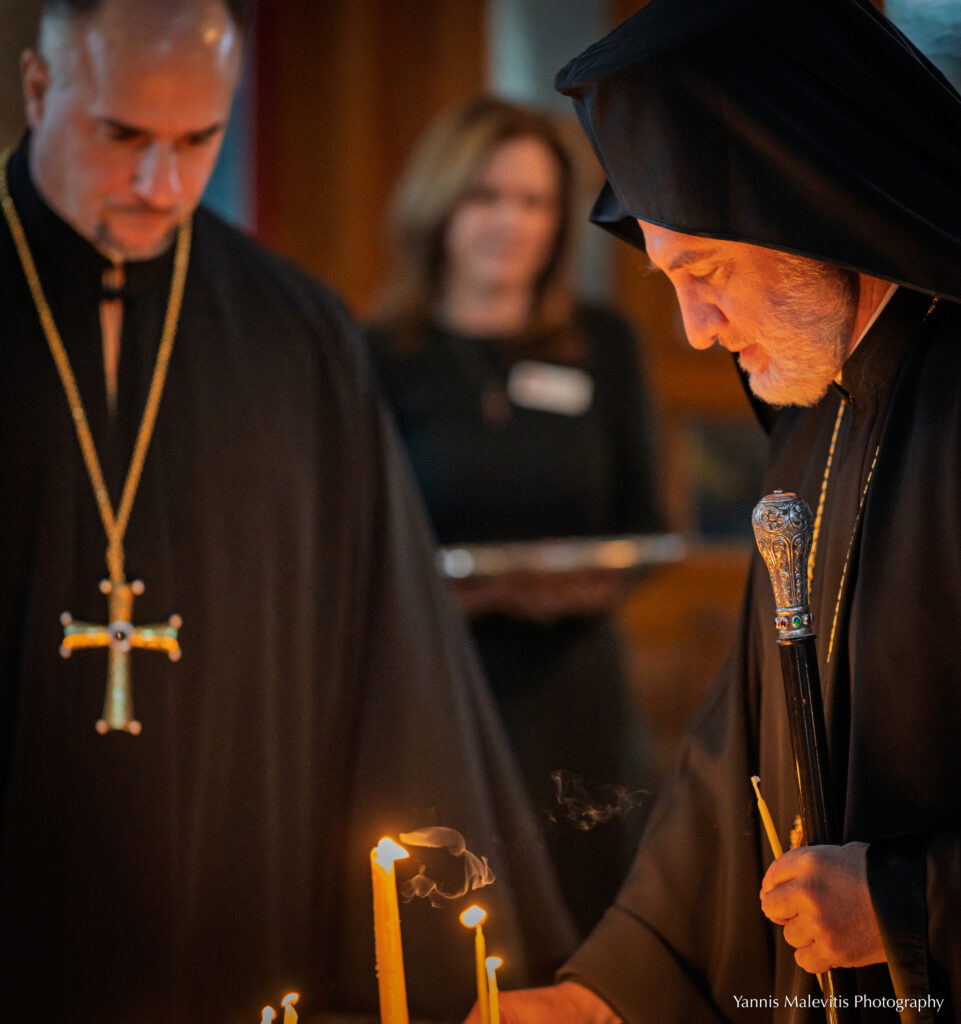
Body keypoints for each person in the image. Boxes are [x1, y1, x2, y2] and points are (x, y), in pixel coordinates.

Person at [0, 2, 579, 1021]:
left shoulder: (292, 330)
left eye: (197, 142)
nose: (160, 185)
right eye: (122, 136)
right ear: (38, 90)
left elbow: (384, 646)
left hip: (231, 890)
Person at [465, 0, 961, 1021]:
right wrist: (608, 987)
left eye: (705, 272)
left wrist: (911, 900)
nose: (692, 330)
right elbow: (746, 749)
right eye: (667, 277)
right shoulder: (811, 419)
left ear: (808, 207)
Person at [366, 97, 665, 936]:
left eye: (534, 201)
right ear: (438, 205)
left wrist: (591, 579)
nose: (512, 222)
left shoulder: (603, 342)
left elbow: (644, 522)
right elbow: (362, 544)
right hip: (439, 682)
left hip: (575, 683)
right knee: (451, 919)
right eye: (486, 196)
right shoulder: (379, 356)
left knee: (585, 915)